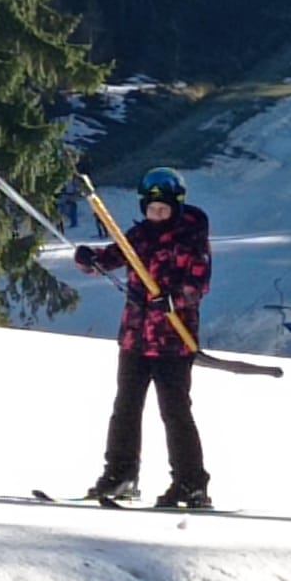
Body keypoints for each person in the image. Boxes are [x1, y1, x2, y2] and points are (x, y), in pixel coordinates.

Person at [73, 166, 212, 509]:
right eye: (152, 210)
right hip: (135, 339)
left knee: (175, 412)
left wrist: (173, 299)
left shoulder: (191, 239)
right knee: (125, 409)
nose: (157, 216)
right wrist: (89, 259)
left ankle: (191, 483)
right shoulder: (140, 236)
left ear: (176, 207)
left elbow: (198, 284)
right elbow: (110, 258)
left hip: (173, 341)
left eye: (163, 210)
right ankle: (120, 475)